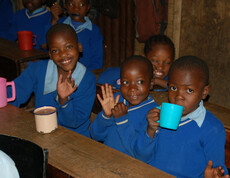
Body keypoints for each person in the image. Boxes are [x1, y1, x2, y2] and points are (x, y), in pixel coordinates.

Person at [115, 55, 228, 177]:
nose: (178, 96)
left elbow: (217, 169)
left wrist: (212, 176)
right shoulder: (158, 115)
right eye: (173, 88)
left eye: (189, 90)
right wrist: (150, 130)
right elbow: (140, 156)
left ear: (204, 92)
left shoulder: (212, 129)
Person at [7, 23, 96, 137]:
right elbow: (14, 94)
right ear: (50, 54)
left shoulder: (87, 79)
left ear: (79, 47)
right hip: (43, 132)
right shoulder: (38, 69)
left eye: (68, 47)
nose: (63, 54)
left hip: (75, 139)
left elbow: (74, 123)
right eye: (55, 51)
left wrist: (64, 101)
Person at [90, 55, 158, 157]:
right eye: (125, 82)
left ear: (151, 83)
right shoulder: (116, 100)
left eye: (139, 82)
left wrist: (122, 121)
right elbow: (95, 135)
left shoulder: (153, 114)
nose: (132, 89)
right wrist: (106, 116)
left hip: (129, 168)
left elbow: (142, 156)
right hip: (104, 159)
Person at [97, 34, 175, 90]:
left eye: (167, 62)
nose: (161, 67)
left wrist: (156, 81)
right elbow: (102, 78)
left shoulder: (168, 80)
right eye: (155, 61)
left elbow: (175, 86)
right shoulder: (128, 72)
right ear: (144, 58)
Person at [50, 0, 103, 70]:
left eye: (81, 5)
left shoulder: (94, 30)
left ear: (88, 7)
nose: (76, 8)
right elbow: (46, 45)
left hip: (85, 73)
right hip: (61, 71)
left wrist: (85, 74)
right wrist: (54, 21)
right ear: (65, 6)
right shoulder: (60, 24)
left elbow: (97, 61)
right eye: (71, 4)